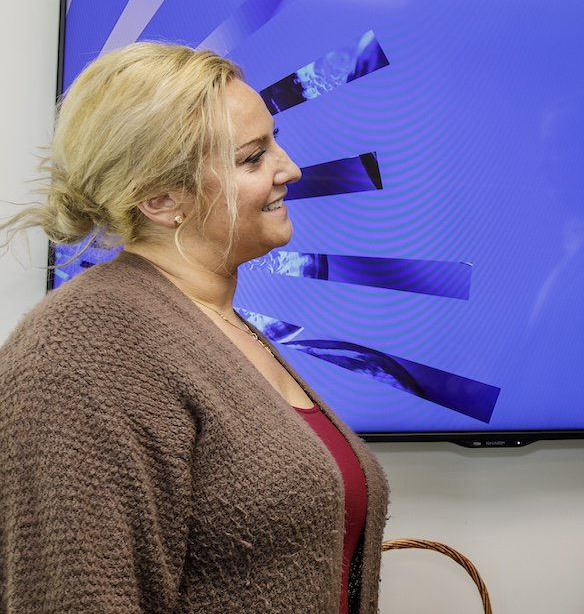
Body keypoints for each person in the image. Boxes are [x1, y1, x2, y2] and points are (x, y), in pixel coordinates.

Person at [0, 43, 390, 613]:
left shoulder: (215, 323)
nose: (290, 169)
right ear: (161, 200)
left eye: (274, 141)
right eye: (253, 158)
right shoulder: (83, 351)